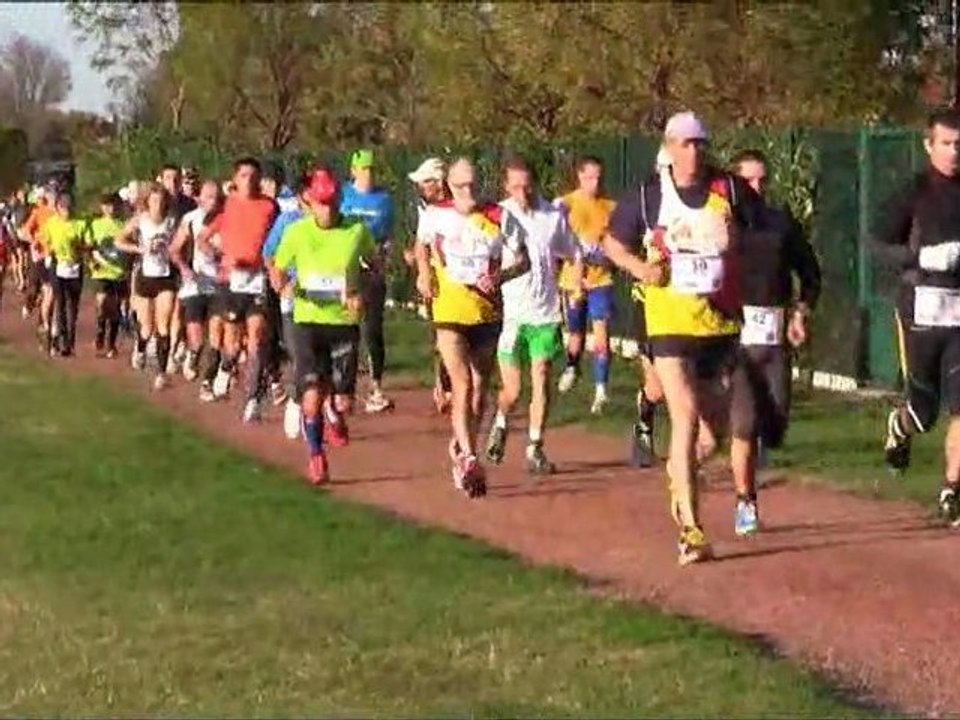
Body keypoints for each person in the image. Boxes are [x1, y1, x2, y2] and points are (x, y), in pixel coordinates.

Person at [602, 111, 762, 565]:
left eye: (699, 144)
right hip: (669, 322)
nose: (693, 152)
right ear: (669, 148)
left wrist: (736, 245)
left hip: (718, 325)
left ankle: (680, 479)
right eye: (685, 144)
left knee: (715, 433)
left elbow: (761, 236)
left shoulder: (728, 190)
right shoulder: (649, 197)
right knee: (685, 412)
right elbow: (612, 242)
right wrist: (640, 269)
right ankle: (690, 530)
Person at [414, 157, 529, 497]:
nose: (468, 192)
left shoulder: (498, 216)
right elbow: (421, 247)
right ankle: (467, 457)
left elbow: (523, 260)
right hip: (449, 311)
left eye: (473, 185)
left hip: (487, 313)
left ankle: (463, 446)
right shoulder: (436, 215)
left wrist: (500, 275)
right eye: (461, 185)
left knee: (480, 390)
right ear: (449, 185)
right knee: (461, 384)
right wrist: (423, 274)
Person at [876, 108, 960, 525]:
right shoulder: (913, 191)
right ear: (929, 146)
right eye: (946, 143)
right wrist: (921, 256)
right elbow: (878, 243)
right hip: (920, 311)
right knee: (924, 413)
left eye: (959, 144)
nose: (954, 152)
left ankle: (952, 491)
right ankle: (900, 424)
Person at [269, 167, 377, 485]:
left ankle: (335, 410)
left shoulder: (357, 231)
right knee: (312, 392)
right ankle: (316, 455)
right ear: (309, 201)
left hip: (343, 323)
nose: (326, 209)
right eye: (320, 202)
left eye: (331, 202)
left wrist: (362, 291)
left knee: (342, 399)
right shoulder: (297, 232)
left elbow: (374, 265)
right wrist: (282, 286)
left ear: (340, 199)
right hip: (307, 321)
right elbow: (277, 267)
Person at [485, 156, 581, 474]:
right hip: (514, 316)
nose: (522, 193)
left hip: (545, 314)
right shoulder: (500, 216)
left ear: (535, 184)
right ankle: (500, 423)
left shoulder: (552, 216)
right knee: (512, 390)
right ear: (506, 187)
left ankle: (535, 446)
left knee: (541, 376)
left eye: (527, 187)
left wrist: (576, 280)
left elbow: (573, 250)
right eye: (515, 187)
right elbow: (484, 254)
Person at [732, 149, 821, 467]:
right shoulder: (724, 224)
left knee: (776, 423)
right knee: (743, 421)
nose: (756, 186)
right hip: (734, 337)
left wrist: (801, 312)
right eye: (748, 180)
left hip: (775, 333)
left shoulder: (781, 223)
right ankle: (739, 478)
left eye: (762, 179)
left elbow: (809, 271)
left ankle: (754, 448)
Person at [195, 157, 279, 422]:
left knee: (256, 337)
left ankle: (253, 398)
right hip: (231, 282)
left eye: (254, 175)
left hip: (257, 280)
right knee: (231, 345)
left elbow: (279, 236)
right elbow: (202, 239)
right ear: (235, 179)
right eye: (244, 175)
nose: (250, 180)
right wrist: (220, 258)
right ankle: (226, 365)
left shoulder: (269, 206)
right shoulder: (225, 206)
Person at [555, 156, 618, 414]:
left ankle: (601, 390)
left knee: (601, 334)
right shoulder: (566, 204)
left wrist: (605, 253)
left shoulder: (611, 206)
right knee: (576, 334)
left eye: (599, 177)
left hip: (601, 280)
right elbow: (554, 239)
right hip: (573, 281)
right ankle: (572, 365)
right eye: (590, 177)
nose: (596, 182)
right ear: (580, 176)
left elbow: (617, 244)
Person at [340, 148, 395, 414]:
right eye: (364, 169)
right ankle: (343, 387)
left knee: (373, 329)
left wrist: (382, 257)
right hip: (344, 271)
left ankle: (376, 388)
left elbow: (387, 237)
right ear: (353, 171)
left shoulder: (384, 200)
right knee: (347, 329)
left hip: (372, 271)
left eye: (372, 169)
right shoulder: (343, 196)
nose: (368, 174)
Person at [115, 183, 179, 390]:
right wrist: (139, 248)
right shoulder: (140, 220)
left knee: (163, 324)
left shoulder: (171, 221)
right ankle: (141, 347)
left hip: (165, 277)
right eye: (153, 201)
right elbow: (118, 241)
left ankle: (161, 373)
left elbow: (181, 244)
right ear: (147, 202)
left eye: (161, 201)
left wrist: (173, 252)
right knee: (146, 327)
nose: (157, 205)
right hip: (145, 277)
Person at [407, 157, 454, 414]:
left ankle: (458, 385)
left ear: (439, 182)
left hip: (465, 283)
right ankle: (445, 387)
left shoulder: (462, 205)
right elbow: (421, 242)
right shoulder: (426, 209)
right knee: (442, 337)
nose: (421, 187)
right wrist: (424, 273)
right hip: (440, 282)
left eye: (426, 181)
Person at [169, 179, 224, 385]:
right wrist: (184, 269)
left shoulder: (227, 220)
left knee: (217, 337)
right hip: (195, 285)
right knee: (198, 340)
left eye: (217, 197)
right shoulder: (190, 219)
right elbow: (174, 250)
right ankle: (192, 355)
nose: (214, 201)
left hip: (219, 285)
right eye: (209, 197)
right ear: (199, 199)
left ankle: (207, 382)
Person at [41, 193, 86, 357]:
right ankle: (58, 340)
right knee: (60, 303)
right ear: (58, 208)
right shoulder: (51, 223)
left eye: (69, 208)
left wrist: (78, 246)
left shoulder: (79, 222)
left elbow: (87, 243)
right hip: (57, 265)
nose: (66, 211)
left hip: (74, 266)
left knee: (72, 306)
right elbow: (45, 241)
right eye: (63, 208)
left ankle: (69, 343)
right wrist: (47, 254)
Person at [85, 192, 127, 358]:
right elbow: (89, 246)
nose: (111, 208)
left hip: (118, 272)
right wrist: (91, 260)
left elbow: (128, 245)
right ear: (102, 207)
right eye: (107, 205)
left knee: (115, 309)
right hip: (100, 271)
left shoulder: (123, 224)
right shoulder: (96, 224)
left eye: (113, 205)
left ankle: (111, 343)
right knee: (102, 303)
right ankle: (100, 331)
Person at [20, 185, 58, 351]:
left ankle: (47, 324)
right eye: (52, 196)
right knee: (35, 289)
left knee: (51, 292)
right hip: (40, 256)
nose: (54, 199)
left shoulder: (62, 213)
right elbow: (25, 231)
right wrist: (33, 241)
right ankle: (31, 306)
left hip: (56, 257)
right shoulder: (39, 212)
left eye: (56, 195)